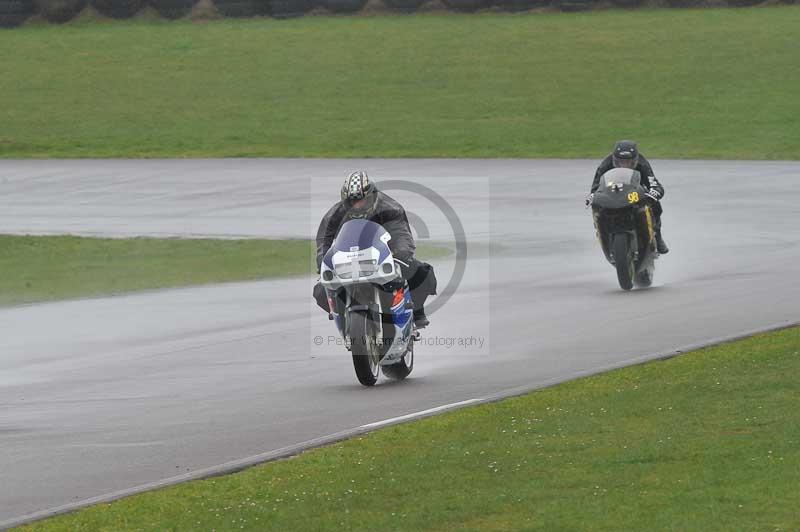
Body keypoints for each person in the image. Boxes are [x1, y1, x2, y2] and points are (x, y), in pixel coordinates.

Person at [314, 171, 437, 329]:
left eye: (362, 200)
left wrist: (401, 255)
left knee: (422, 273)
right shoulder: (335, 213)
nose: (357, 205)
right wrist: (322, 260)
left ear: (373, 195)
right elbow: (324, 238)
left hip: (383, 255)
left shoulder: (390, 208)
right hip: (349, 258)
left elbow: (401, 234)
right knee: (320, 290)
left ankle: (416, 311)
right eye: (352, 201)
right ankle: (343, 317)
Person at [588, 140, 669, 254]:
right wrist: (592, 198)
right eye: (620, 162)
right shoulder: (605, 164)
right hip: (613, 194)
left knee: (655, 205)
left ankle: (658, 236)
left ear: (635, 160)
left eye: (629, 162)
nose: (624, 165)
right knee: (597, 208)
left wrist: (653, 194)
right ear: (614, 159)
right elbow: (595, 187)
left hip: (634, 194)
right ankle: (602, 233)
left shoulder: (642, 163)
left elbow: (654, 184)